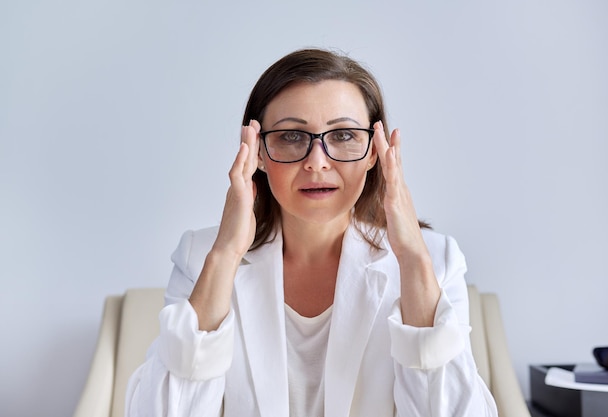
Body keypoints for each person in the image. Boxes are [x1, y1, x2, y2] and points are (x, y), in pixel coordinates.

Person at [125, 48, 498, 417]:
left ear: (374, 152)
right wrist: (225, 255)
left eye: (344, 135)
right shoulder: (200, 255)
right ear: (256, 151)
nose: (317, 162)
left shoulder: (436, 259)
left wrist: (413, 258)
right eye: (290, 136)